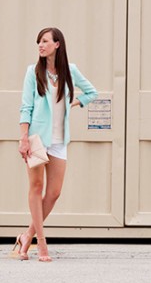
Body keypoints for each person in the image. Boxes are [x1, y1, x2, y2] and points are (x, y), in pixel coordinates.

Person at [14, 27, 98, 262]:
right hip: (37, 139)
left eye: (45, 41)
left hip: (59, 140)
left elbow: (92, 92)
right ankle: (41, 244)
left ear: (57, 44)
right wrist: (23, 138)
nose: (41, 45)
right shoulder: (33, 72)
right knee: (36, 187)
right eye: (39, 42)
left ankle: (26, 236)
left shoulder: (69, 71)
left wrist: (74, 103)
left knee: (54, 192)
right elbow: (25, 107)